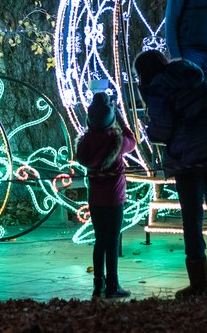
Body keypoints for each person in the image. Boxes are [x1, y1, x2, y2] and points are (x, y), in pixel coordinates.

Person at [134, 50, 207, 298]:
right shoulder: (195, 72)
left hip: (189, 158)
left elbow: (162, 130)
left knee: (192, 219)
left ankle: (199, 285)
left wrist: (149, 131)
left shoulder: (158, 87)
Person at [75, 92, 136, 299]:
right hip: (114, 198)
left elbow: (81, 156)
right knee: (112, 242)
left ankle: (98, 285)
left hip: (95, 199)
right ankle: (113, 285)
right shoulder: (115, 140)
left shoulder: (86, 141)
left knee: (100, 241)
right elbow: (132, 141)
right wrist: (120, 117)